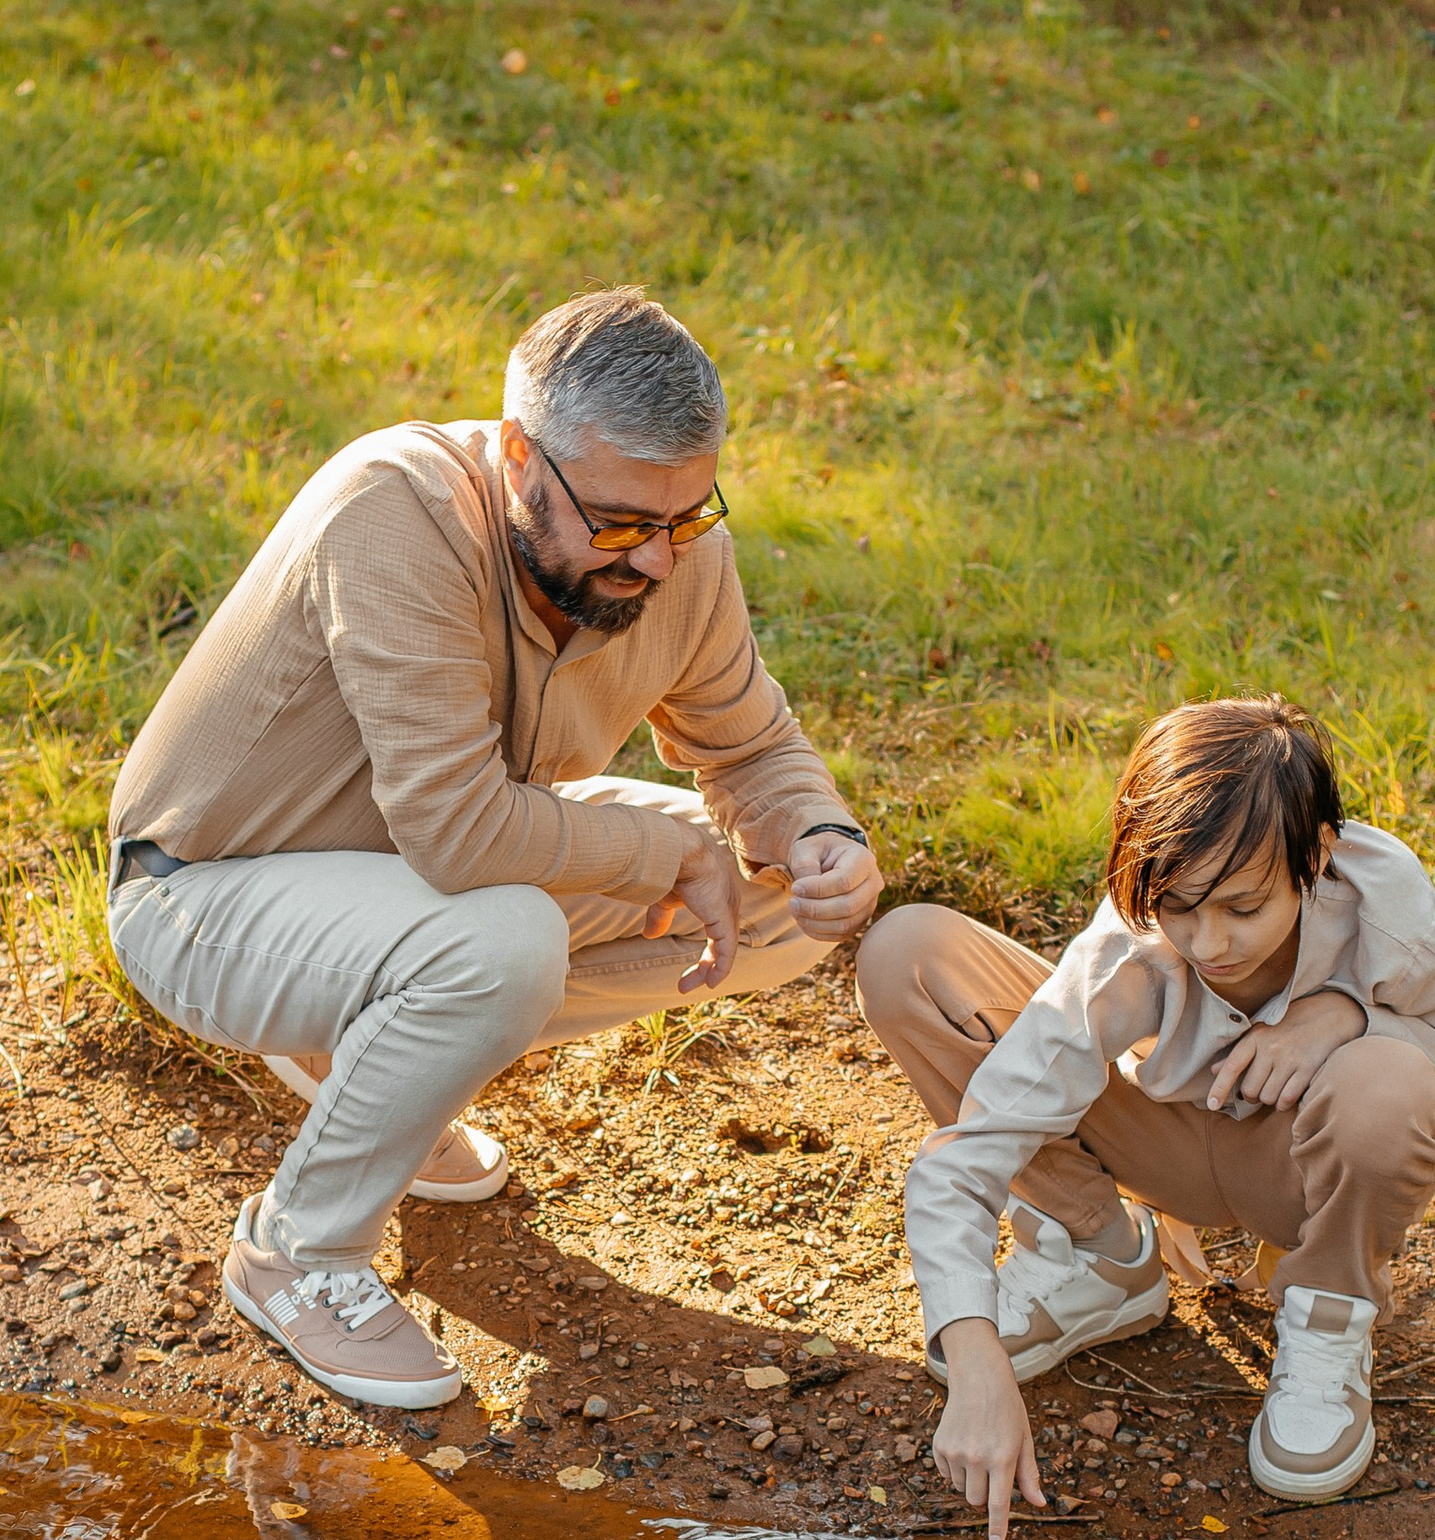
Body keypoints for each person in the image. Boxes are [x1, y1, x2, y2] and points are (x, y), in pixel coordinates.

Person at [105, 287, 882, 1408]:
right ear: (521, 456)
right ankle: (297, 1257)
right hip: (202, 896)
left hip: (402, 891)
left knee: (763, 895)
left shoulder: (672, 551)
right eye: (619, 524)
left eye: (687, 518)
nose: (658, 560)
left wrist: (822, 838)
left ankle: (376, 1070)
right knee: (507, 938)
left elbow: (751, 746)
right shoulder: (394, 509)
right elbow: (458, 827)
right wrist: (660, 858)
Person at [856, 694, 1435, 1534]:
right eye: (1181, 908)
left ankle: (1328, 1324)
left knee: (1388, 1082)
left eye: (1244, 908)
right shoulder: (1134, 942)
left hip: (1298, 1169)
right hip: (1159, 1144)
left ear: (1317, 856)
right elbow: (969, 1151)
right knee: (908, 953)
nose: (1208, 944)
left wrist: (1346, 1016)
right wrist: (975, 1355)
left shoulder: (1381, 900)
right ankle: (1099, 1256)